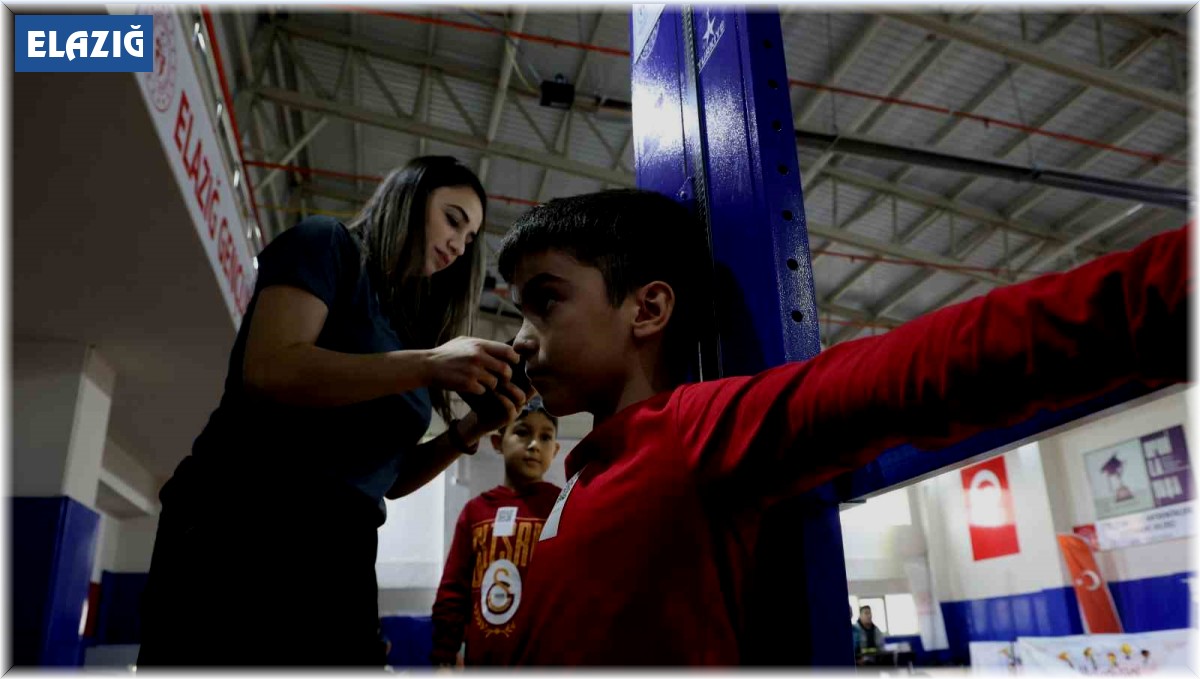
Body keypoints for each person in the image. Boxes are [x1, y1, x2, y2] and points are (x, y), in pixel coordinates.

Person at [492, 189, 1189, 665]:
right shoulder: (580, 478)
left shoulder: (687, 432)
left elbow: (930, 365)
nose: (520, 339)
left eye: (545, 303)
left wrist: (1161, 289)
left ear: (647, 309)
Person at [137, 156, 529, 667]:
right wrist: (428, 364)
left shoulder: (404, 329)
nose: (459, 244)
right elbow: (271, 368)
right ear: (409, 197)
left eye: (470, 238)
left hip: (342, 549)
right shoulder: (326, 245)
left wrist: (471, 428)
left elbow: (387, 479)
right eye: (453, 220)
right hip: (242, 521)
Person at [430, 398, 562, 667]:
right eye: (522, 432)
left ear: (555, 450)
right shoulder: (475, 512)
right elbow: (453, 590)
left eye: (545, 437)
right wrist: (444, 655)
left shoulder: (563, 507)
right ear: (497, 442)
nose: (534, 445)